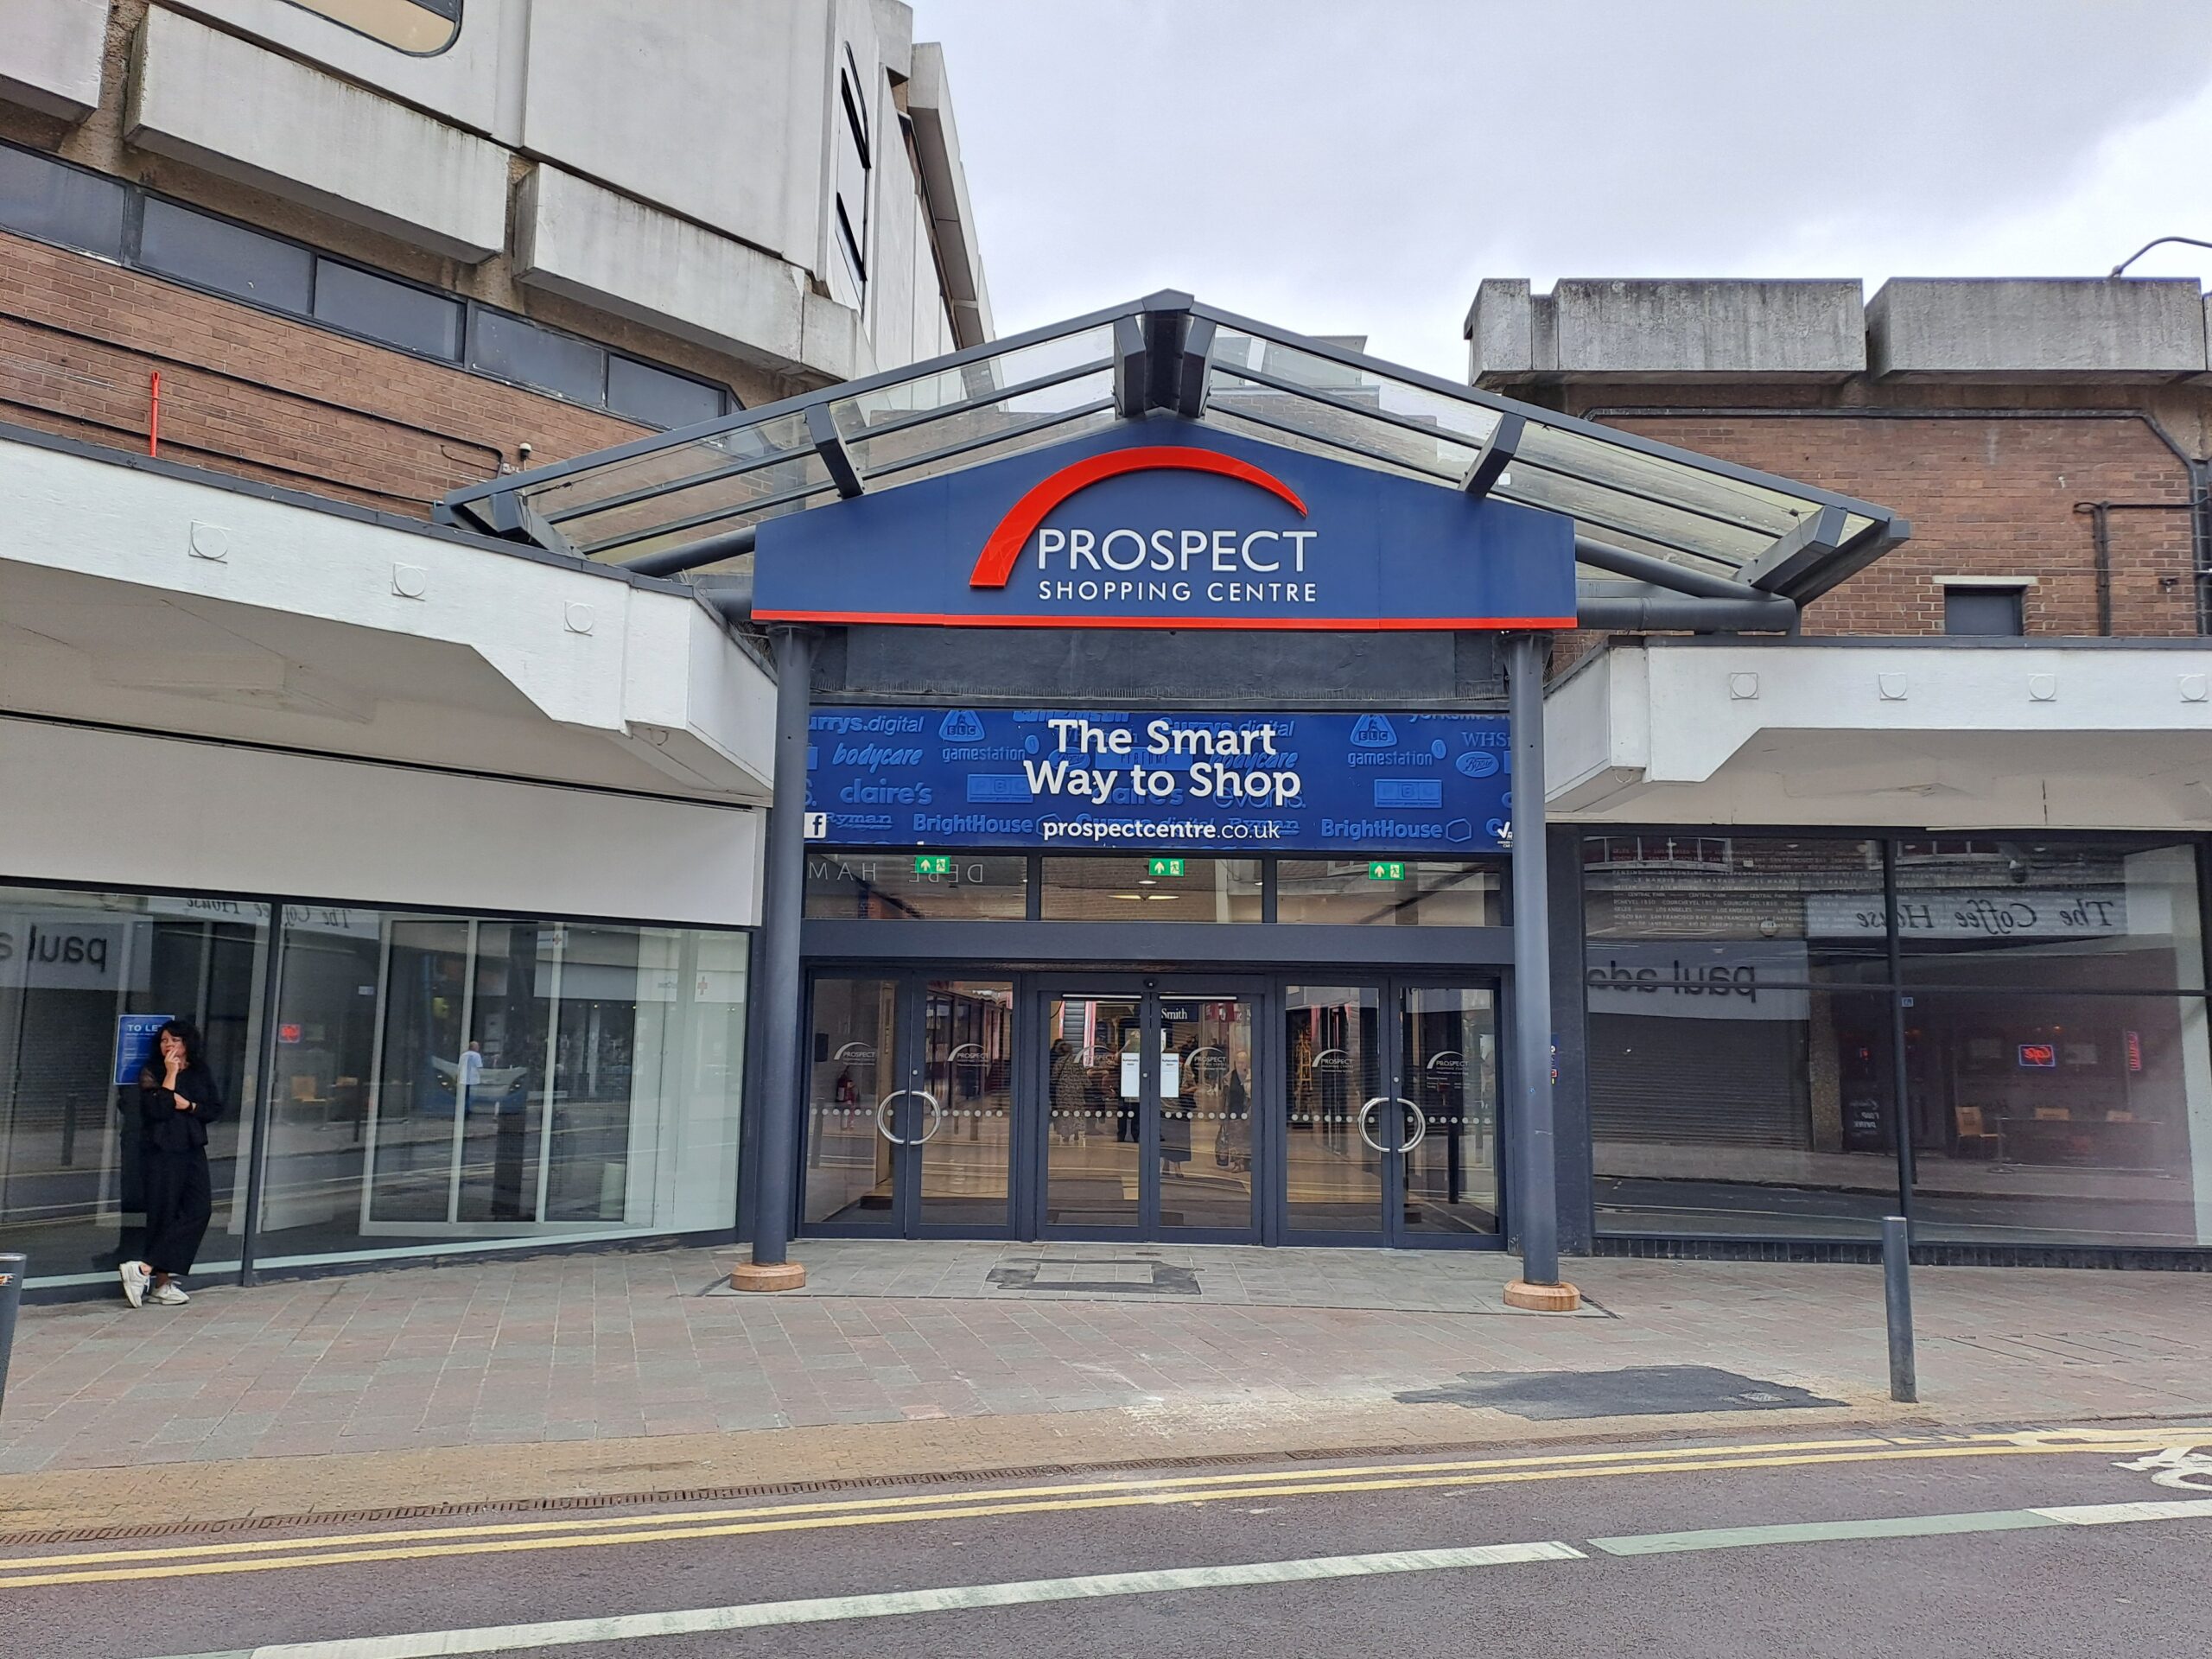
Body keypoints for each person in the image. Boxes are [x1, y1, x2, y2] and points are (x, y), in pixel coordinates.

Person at [119, 1019, 222, 1308]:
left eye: (174, 1040)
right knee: (165, 1213)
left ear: (187, 1043)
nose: (168, 1045)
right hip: (161, 1152)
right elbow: (159, 1109)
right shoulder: (152, 1070)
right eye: (164, 1040)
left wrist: (189, 1105)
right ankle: (161, 1285)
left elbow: (214, 1108)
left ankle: (143, 1268)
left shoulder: (200, 1071)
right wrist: (172, 1073)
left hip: (192, 1148)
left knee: (199, 1210)